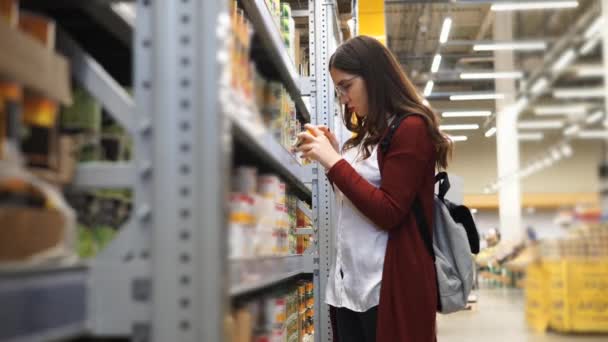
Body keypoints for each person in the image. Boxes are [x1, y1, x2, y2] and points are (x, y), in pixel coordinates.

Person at [295, 36, 453, 342]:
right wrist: (335, 156)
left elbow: (389, 211)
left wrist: (333, 163)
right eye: (337, 88)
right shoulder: (369, 133)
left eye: (346, 86)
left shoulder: (411, 128)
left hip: (387, 288)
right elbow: (355, 199)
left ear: (373, 77)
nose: (342, 98)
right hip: (351, 286)